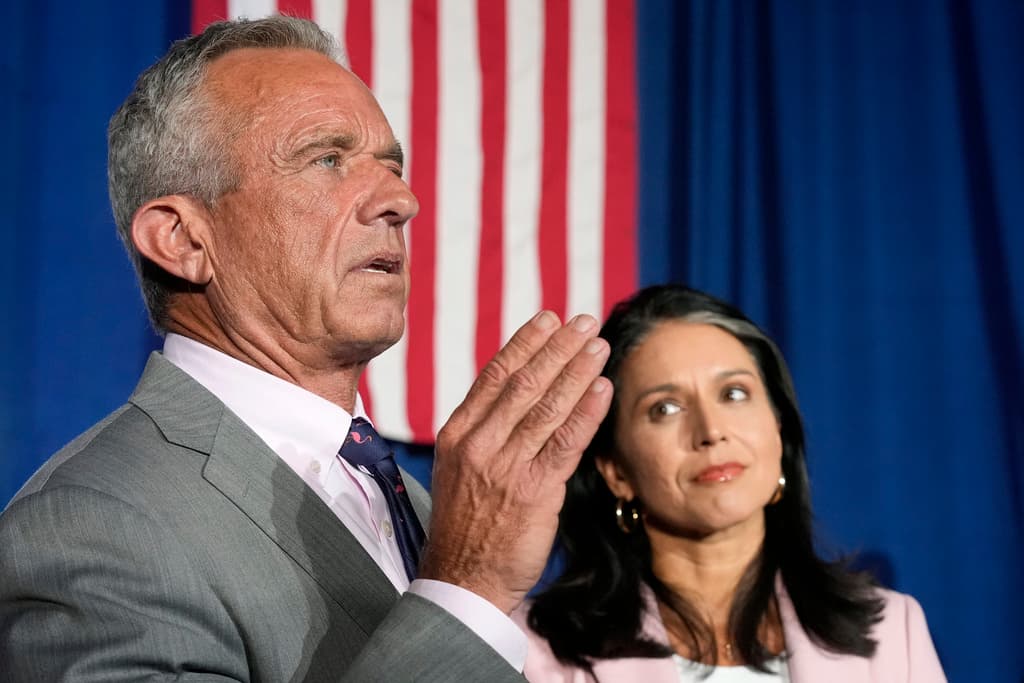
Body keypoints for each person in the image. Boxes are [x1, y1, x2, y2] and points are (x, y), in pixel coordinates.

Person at [0, 16, 613, 682]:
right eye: (327, 158)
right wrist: (464, 592)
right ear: (183, 239)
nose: (401, 200)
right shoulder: (93, 522)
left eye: (391, 166)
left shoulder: (418, 502)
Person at [514, 284, 946, 682]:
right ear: (616, 472)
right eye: (665, 408)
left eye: (734, 394)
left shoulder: (892, 630)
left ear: (778, 429)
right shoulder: (534, 651)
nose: (711, 430)